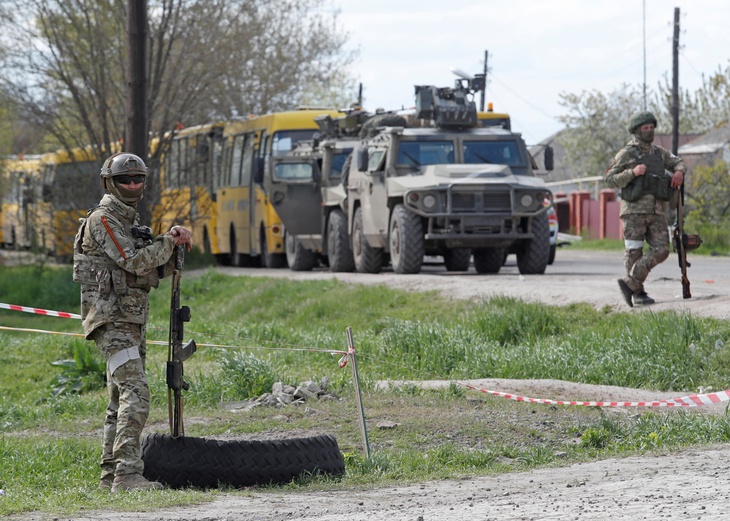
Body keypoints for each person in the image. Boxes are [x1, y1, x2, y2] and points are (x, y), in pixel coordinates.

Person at [72, 152, 192, 492]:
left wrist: (173, 251)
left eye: (138, 178)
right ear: (110, 182)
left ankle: (110, 475)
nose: (132, 185)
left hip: (131, 320)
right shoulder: (104, 219)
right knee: (136, 392)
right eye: (125, 179)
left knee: (118, 400)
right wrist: (168, 242)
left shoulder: (128, 223)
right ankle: (127, 474)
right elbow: (134, 259)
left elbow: (147, 271)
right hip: (111, 320)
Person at [605, 111, 686, 307]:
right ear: (636, 131)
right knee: (634, 252)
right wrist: (632, 173)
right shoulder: (627, 153)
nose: (649, 131)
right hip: (633, 211)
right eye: (645, 128)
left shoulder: (659, 153)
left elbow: (678, 162)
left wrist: (679, 172)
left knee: (662, 250)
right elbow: (610, 179)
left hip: (657, 210)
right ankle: (638, 293)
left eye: (651, 127)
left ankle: (629, 284)